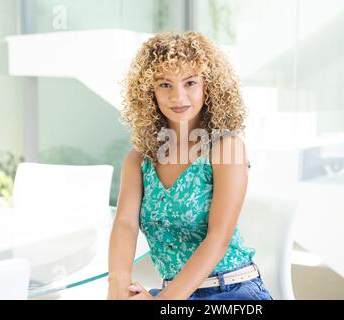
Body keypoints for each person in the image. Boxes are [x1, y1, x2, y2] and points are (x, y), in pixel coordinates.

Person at [107, 31, 273, 300]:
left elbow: (219, 238)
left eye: (190, 82)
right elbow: (125, 223)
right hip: (173, 293)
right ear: (149, 92)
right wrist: (118, 285)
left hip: (231, 290)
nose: (178, 96)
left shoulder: (225, 148)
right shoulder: (138, 160)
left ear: (209, 86)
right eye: (164, 84)